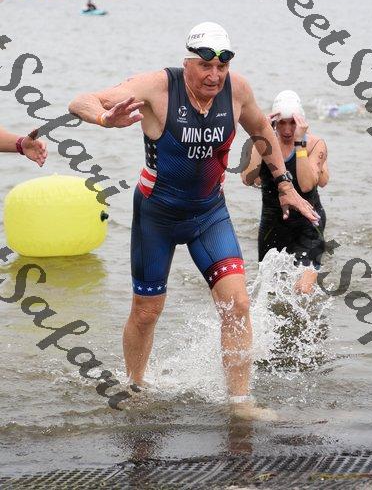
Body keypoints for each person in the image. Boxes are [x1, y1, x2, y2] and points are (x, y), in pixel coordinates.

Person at [68, 22, 319, 418]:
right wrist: (103, 118)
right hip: (157, 214)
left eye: (222, 66)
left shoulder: (236, 90)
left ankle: (240, 404)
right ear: (187, 62)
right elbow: (80, 100)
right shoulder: (157, 87)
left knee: (237, 305)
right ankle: (135, 387)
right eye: (205, 66)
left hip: (209, 214)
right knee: (146, 311)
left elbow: (261, 130)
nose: (214, 75)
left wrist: (285, 184)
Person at [242, 90, 328, 295]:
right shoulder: (263, 142)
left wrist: (300, 143)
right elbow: (247, 179)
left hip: (308, 223)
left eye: (293, 123)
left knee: (302, 291)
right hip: (273, 224)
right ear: (274, 122)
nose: (287, 129)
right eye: (282, 123)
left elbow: (306, 185)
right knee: (270, 291)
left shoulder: (315, 144)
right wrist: (260, 137)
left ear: (301, 122)